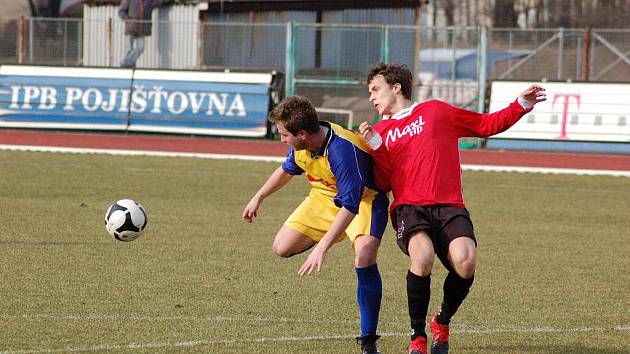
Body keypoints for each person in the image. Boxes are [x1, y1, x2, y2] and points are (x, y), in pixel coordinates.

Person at [359, 62, 546, 354]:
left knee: (466, 261)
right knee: (422, 257)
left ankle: (441, 321)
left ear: (396, 87)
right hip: (410, 208)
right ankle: (417, 338)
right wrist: (376, 146)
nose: (371, 97)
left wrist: (520, 104)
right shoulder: (381, 131)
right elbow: (383, 182)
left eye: (375, 89)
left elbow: (486, 124)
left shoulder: (436, 111)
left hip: (449, 205)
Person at [242, 95, 389, 354]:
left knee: (364, 255)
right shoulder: (303, 143)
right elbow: (287, 169)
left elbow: (351, 207)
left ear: (301, 133)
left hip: (364, 200)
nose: (281, 139)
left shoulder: (343, 151)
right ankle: (333, 235)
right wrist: (258, 197)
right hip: (324, 196)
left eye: (284, 135)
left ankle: (368, 341)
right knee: (282, 247)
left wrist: (322, 247)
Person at [118, 0, 177, 68]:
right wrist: (128, 20)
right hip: (131, 28)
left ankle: (126, 63)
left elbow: (160, 1)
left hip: (142, 30)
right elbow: (121, 11)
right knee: (129, 50)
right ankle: (129, 65)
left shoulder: (149, 1)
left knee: (140, 48)